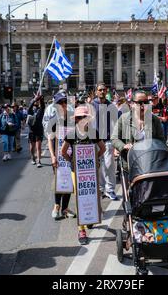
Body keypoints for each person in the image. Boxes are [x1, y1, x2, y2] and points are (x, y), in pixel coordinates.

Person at [61, 105, 106, 245]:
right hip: (77, 171)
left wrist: (95, 159)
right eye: (79, 117)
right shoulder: (71, 134)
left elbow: (103, 148)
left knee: (93, 193)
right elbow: (63, 152)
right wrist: (72, 162)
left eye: (84, 117)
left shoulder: (93, 132)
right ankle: (81, 230)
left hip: (91, 171)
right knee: (79, 196)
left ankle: (90, 218)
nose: (81, 120)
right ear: (75, 119)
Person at [111, 90, 165, 170]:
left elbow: (161, 140)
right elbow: (114, 138)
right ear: (132, 104)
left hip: (151, 163)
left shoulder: (154, 120)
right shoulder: (124, 118)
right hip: (130, 163)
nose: (143, 105)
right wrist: (123, 146)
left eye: (146, 102)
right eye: (139, 103)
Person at [47, 92, 76, 219]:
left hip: (70, 156)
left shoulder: (72, 119)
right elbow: (50, 139)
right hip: (58, 157)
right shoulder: (54, 120)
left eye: (65, 102)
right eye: (60, 103)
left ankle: (65, 208)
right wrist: (53, 156)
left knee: (69, 182)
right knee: (60, 181)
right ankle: (56, 205)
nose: (63, 105)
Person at [91, 83, 119, 200]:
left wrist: (116, 143)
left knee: (109, 165)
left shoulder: (111, 106)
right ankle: (101, 189)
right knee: (98, 166)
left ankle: (110, 189)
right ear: (96, 92)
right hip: (95, 141)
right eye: (100, 90)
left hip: (107, 140)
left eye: (104, 90)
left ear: (106, 91)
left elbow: (116, 124)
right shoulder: (91, 105)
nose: (102, 91)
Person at [28, 95, 45, 167]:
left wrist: (40, 98)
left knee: (38, 147)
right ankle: (33, 158)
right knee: (32, 147)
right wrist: (34, 99)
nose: (35, 107)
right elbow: (29, 107)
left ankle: (39, 161)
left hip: (39, 131)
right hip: (31, 131)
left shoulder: (40, 110)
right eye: (34, 105)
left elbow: (43, 106)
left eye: (36, 105)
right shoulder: (30, 111)